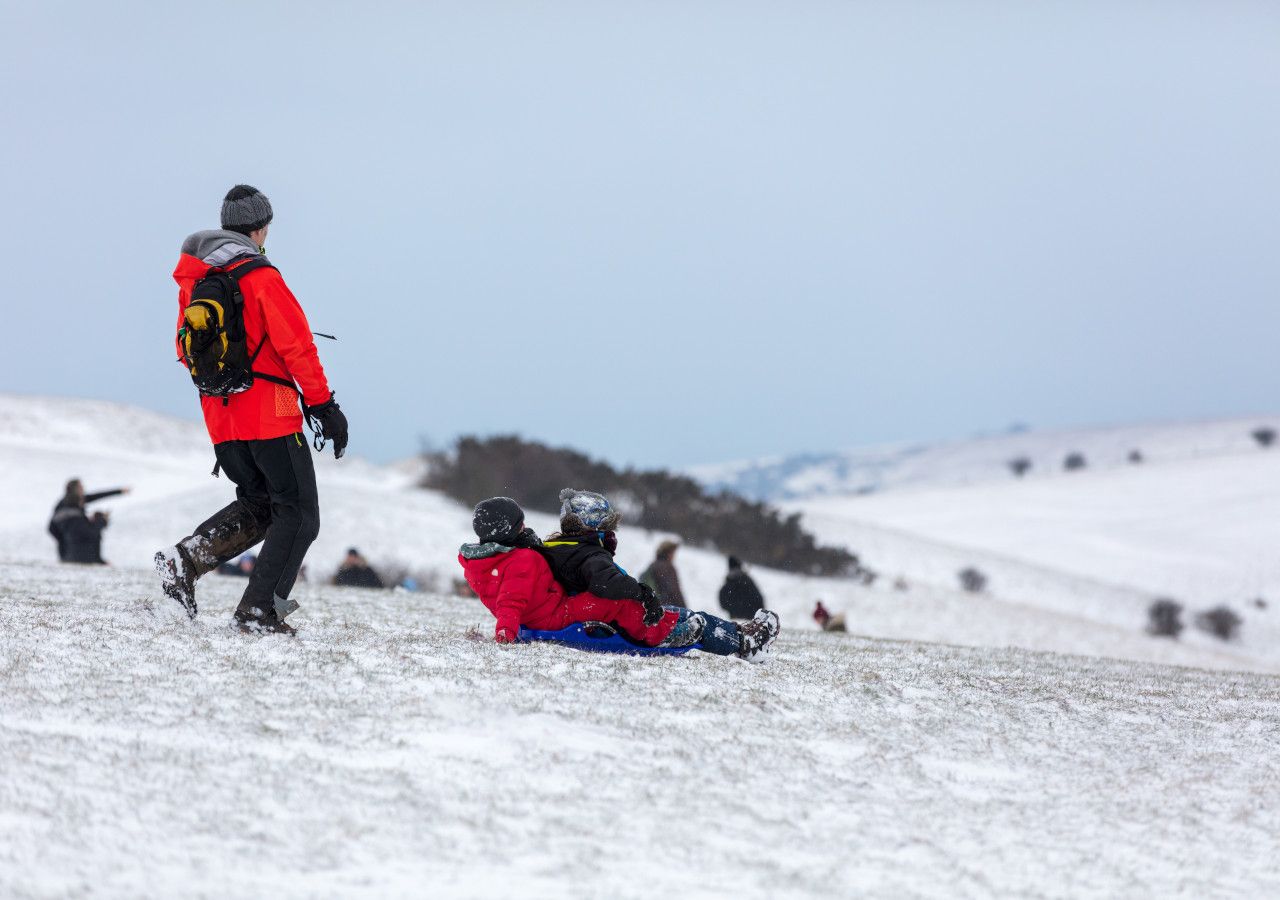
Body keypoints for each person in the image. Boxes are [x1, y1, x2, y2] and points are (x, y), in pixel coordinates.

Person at [155, 185, 348, 635]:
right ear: (260, 228)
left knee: (261, 504)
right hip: (271, 413)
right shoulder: (261, 276)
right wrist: (324, 405)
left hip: (223, 420)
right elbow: (297, 347)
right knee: (299, 513)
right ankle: (258, 611)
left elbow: (184, 352)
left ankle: (184, 561)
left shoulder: (197, 284)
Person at [458, 493, 779, 662]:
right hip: (561, 615)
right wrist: (642, 594)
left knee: (672, 612)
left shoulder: (511, 557)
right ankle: (739, 642)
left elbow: (515, 588)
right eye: (521, 524)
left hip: (553, 611)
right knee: (622, 603)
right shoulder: (528, 559)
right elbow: (511, 600)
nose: (527, 528)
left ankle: (740, 633)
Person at [48, 479, 129, 564]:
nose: (83, 489)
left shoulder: (75, 501)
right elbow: (52, 527)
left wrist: (119, 491)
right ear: (75, 490)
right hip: (77, 550)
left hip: (69, 548)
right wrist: (101, 520)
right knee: (92, 530)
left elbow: (97, 496)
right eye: (81, 487)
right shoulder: (68, 508)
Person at [639, 540, 686, 608]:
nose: (674, 556)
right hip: (667, 609)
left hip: (653, 607)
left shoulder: (653, 564)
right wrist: (684, 609)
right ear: (668, 553)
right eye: (673, 553)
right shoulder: (667, 567)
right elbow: (674, 592)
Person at [718, 555, 765, 620]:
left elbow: (723, 601)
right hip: (751, 620)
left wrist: (732, 609)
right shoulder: (747, 581)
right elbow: (759, 600)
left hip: (736, 619)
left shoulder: (730, 582)